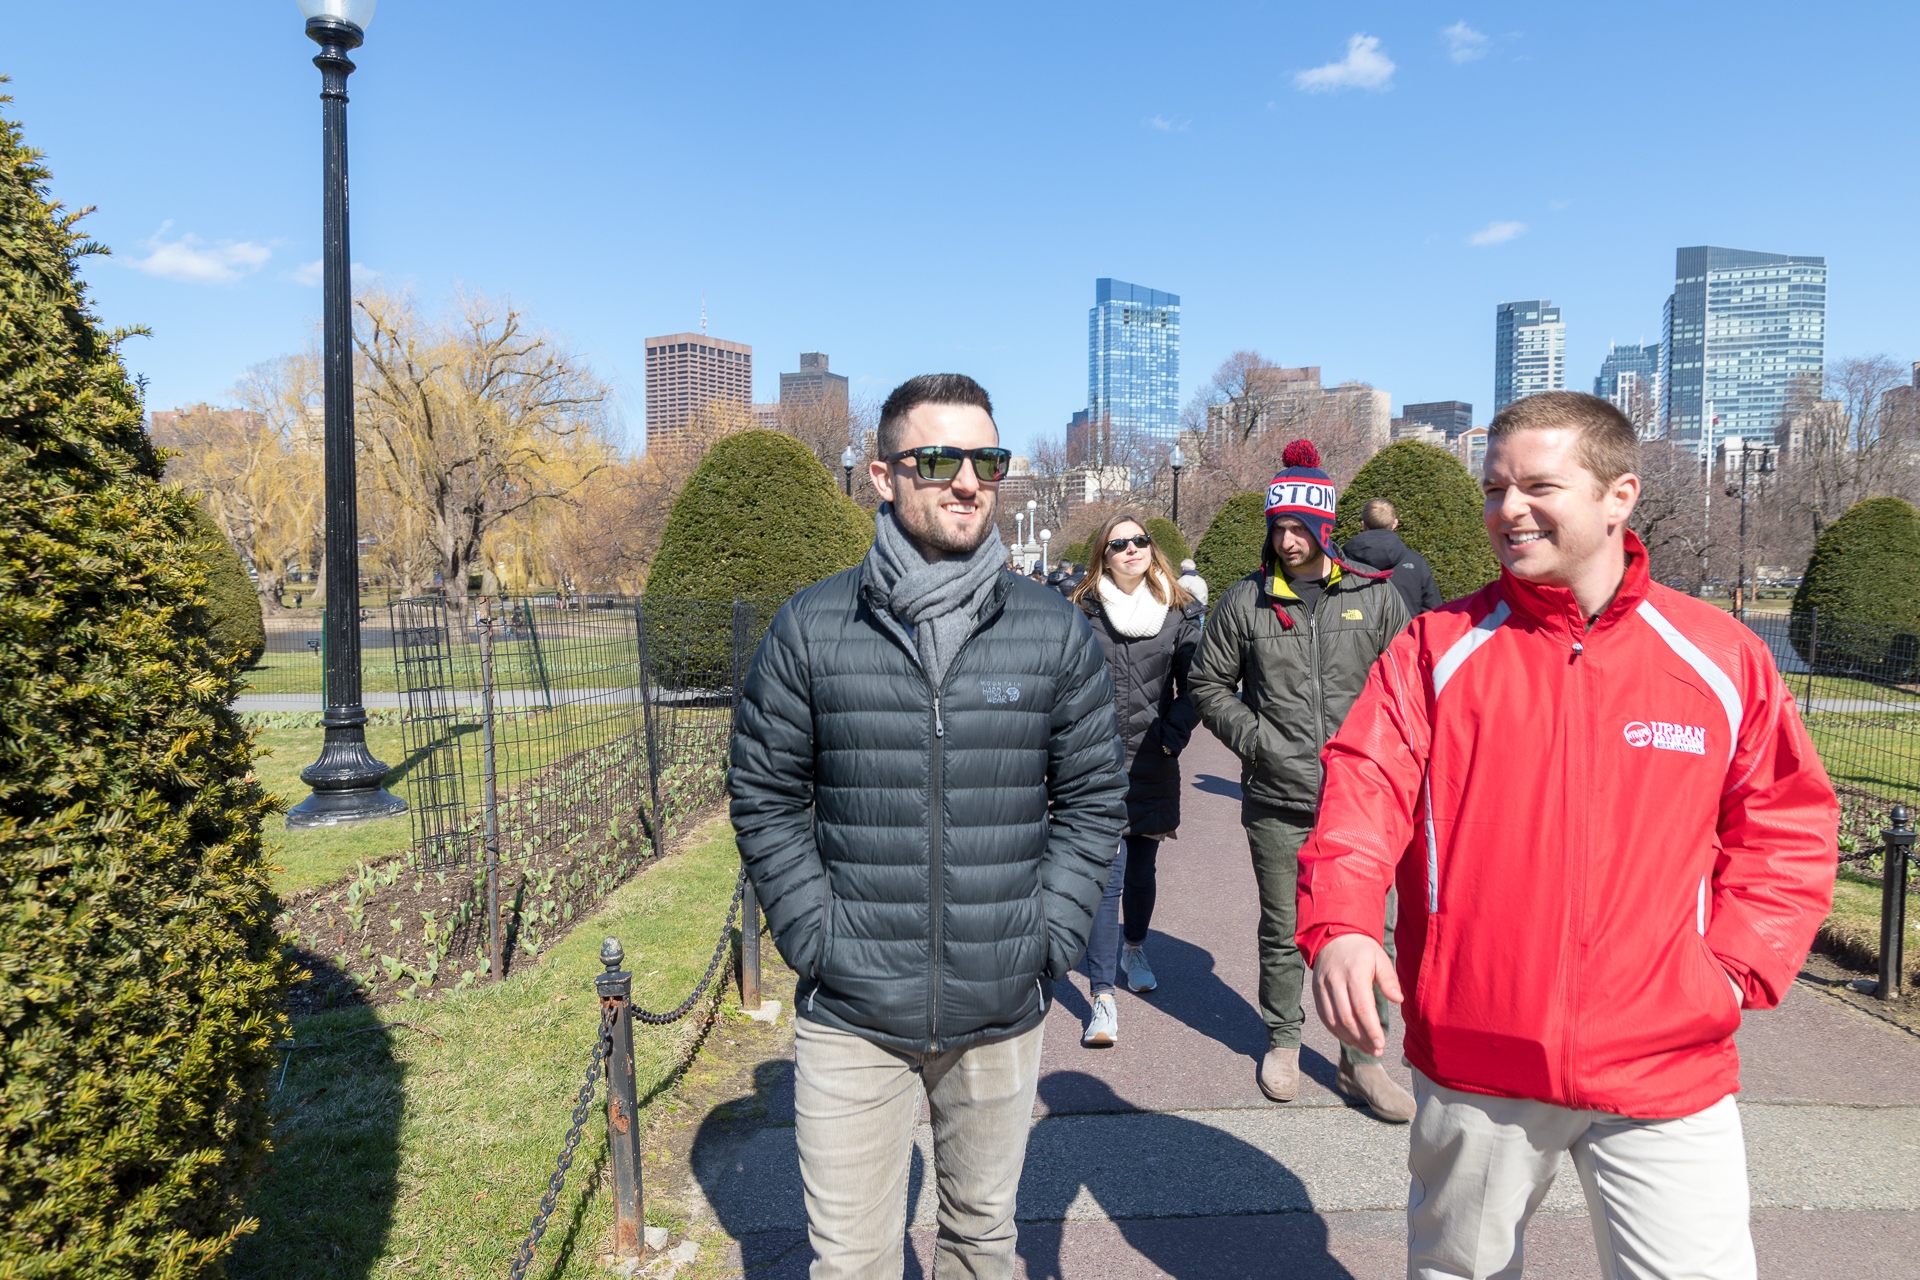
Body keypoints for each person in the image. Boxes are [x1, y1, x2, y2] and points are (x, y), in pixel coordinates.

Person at [1300, 392, 1838, 1279]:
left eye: (1538, 485)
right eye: (1494, 487)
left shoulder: (1721, 654)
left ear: (1618, 496)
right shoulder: (1437, 648)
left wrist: (1732, 972)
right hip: (1480, 1057)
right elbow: (1362, 791)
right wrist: (1345, 926)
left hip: (1666, 1066)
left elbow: (1785, 823)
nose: (1507, 509)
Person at [730, 373, 1127, 1280]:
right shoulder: (813, 627)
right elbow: (765, 792)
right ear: (881, 475)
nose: (966, 481)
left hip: (999, 1001)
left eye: (985, 459)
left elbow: (1094, 796)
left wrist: (1047, 935)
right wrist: (817, 938)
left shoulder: (1051, 632)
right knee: (852, 1261)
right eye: (938, 459)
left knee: (982, 1247)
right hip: (853, 1008)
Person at [1189, 439, 1415, 1121]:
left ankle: (1363, 1061)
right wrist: (1260, 743)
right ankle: (1283, 1040)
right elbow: (1208, 683)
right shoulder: (1244, 603)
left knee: (1373, 934)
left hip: (1363, 806)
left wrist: (1379, 762)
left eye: (1298, 528)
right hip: (1277, 798)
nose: (1286, 541)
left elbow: (1408, 687)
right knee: (1284, 928)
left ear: (1324, 528)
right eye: (1277, 527)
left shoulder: (1376, 601)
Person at [1068, 512, 1204, 1047]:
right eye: (1119, 543)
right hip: (1096, 762)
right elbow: (1061, 682)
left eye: (1139, 541)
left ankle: (1135, 946)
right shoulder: (1082, 611)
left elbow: (1199, 683)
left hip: (1153, 757)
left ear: (1152, 549)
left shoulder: (1179, 611)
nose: (1131, 550)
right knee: (1108, 877)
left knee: (1142, 867)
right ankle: (1103, 996)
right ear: (1104, 553)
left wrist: (1172, 736)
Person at [1340, 497, 1441, 614]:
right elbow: (1433, 614)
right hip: (1405, 631)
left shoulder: (1342, 563)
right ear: (1395, 524)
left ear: (1363, 525)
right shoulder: (1417, 564)